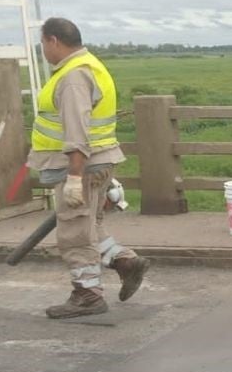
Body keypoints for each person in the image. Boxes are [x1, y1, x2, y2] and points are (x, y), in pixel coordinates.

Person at [28, 17, 149, 319]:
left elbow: (76, 129)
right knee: (91, 227)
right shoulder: (91, 65)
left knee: (74, 233)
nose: (42, 49)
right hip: (100, 160)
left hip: (81, 165)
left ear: (53, 41)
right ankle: (124, 262)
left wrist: (73, 176)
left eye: (42, 43)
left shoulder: (73, 76)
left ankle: (87, 294)